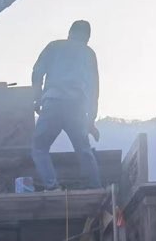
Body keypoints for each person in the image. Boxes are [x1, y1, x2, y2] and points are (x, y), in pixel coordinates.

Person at [30, 20, 103, 191]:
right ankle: (95, 187)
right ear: (87, 38)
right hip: (76, 107)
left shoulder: (54, 46)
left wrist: (37, 98)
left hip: (53, 103)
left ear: (70, 32)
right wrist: (90, 120)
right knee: (84, 149)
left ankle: (52, 186)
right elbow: (94, 89)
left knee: (39, 148)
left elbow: (37, 72)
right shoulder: (88, 53)